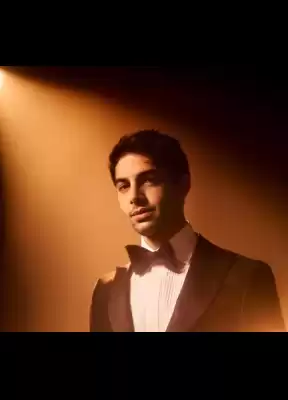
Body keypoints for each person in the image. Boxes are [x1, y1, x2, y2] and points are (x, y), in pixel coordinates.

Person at [89, 129, 285, 332]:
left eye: (149, 180)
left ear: (183, 185)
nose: (134, 197)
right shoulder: (106, 290)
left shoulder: (247, 276)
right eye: (123, 186)